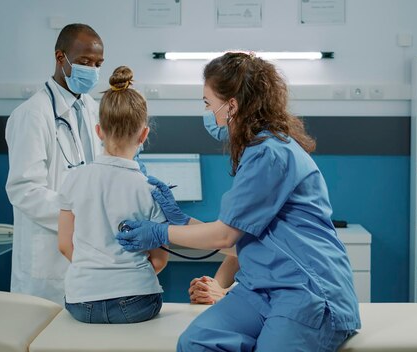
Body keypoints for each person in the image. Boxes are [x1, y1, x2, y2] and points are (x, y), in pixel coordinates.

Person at [117, 52, 361, 352]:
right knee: (195, 343)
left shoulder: (270, 153)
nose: (207, 113)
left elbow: (224, 235)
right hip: (260, 289)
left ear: (231, 106)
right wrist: (181, 220)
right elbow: (240, 241)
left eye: (208, 104)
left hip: (306, 292)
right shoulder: (257, 151)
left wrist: (158, 232)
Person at [56, 66, 168, 324]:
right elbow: (160, 260)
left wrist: (94, 274)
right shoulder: (150, 189)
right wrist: (127, 279)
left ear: (99, 132)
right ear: (144, 134)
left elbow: (64, 245)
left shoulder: (73, 179)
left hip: (81, 302)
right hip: (138, 302)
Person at [5, 23, 104, 304]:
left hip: (87, 253)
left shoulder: (93, 109)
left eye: (98, 64)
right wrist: (79, 215)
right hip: (47, 263)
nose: (93, 70)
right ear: (61, 57)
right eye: (85, 62)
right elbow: (25, 190)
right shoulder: (32, 115)